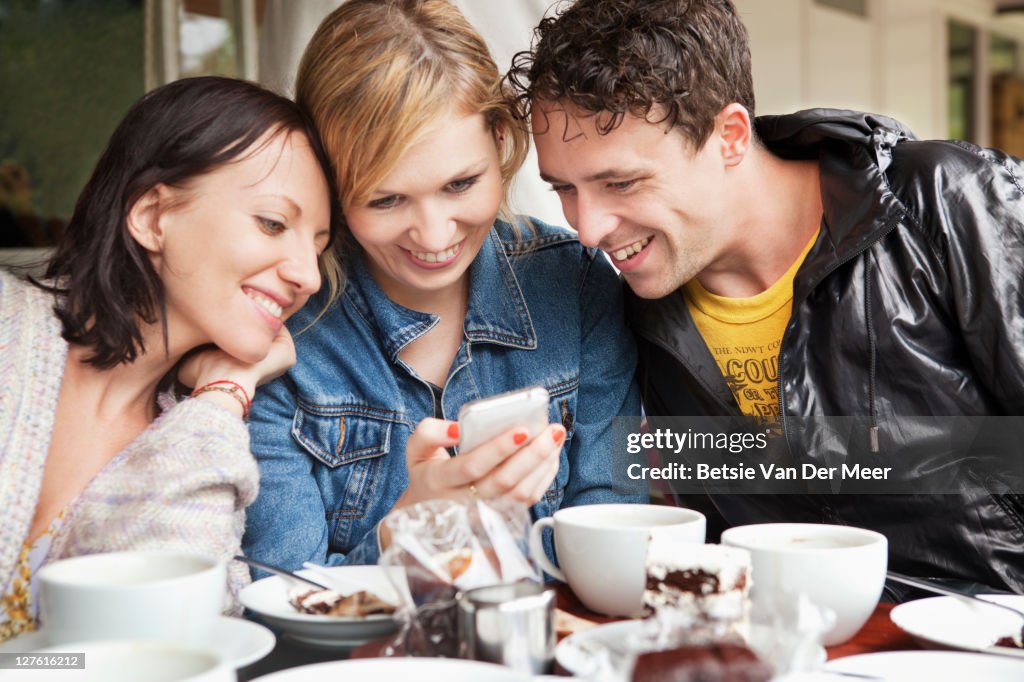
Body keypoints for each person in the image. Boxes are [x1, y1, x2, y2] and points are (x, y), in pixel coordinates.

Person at [509, 0, 1024, 595]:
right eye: (565, 189)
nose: (589, 228)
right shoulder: (624, 298)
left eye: (620, 183)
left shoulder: (945, 200)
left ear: (729, 137)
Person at [243, 0, 645, 573]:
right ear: (329, 185)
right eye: (385, 199)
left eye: (460, 183)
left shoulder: (576, 283)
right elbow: (280, 596)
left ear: (501, 140)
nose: (434, 236)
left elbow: (613, 526)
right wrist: (406, 534)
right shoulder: (284, 335)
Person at [0, 76, 338, 641]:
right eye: (273, 223)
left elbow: (158, 650)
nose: (306, 274)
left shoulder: (203, 428)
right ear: (153, 216)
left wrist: (221, 398)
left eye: (318, 246)